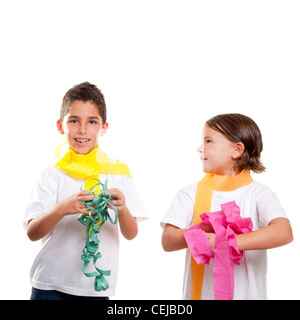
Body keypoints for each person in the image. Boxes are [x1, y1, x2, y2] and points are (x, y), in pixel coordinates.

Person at [24, 82, 147, 300]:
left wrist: (123, 209)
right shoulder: (51, 175)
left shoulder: (118, 173)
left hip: (95, 288)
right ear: (61, 126)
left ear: (104, 127)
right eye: (74, 120)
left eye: (92, 121)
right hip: (49, 284)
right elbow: (32, 232)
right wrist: (62, 209)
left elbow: (131, 233)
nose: (82, 129)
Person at [161, 113, 293, 300]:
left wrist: (227, 243)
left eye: (209, 141)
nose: (200, 148)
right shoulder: (190, 193)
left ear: (237, 150)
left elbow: (284, 231)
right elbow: (168, 240)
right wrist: (200, 230)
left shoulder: (258, 194)